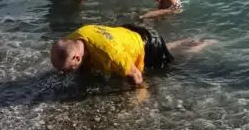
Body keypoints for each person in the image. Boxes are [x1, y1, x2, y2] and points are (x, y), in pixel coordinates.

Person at [50, 23, 213, 86]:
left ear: (77, 58)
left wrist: (135, 107)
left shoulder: (110, 55)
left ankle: (205, 44)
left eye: (67, 69)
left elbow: (137, 77)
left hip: (148, 45)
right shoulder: (74, 39)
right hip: (130, 33)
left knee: (173, 62)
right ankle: (188, 40)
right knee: (168, 48)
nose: (64, 73)